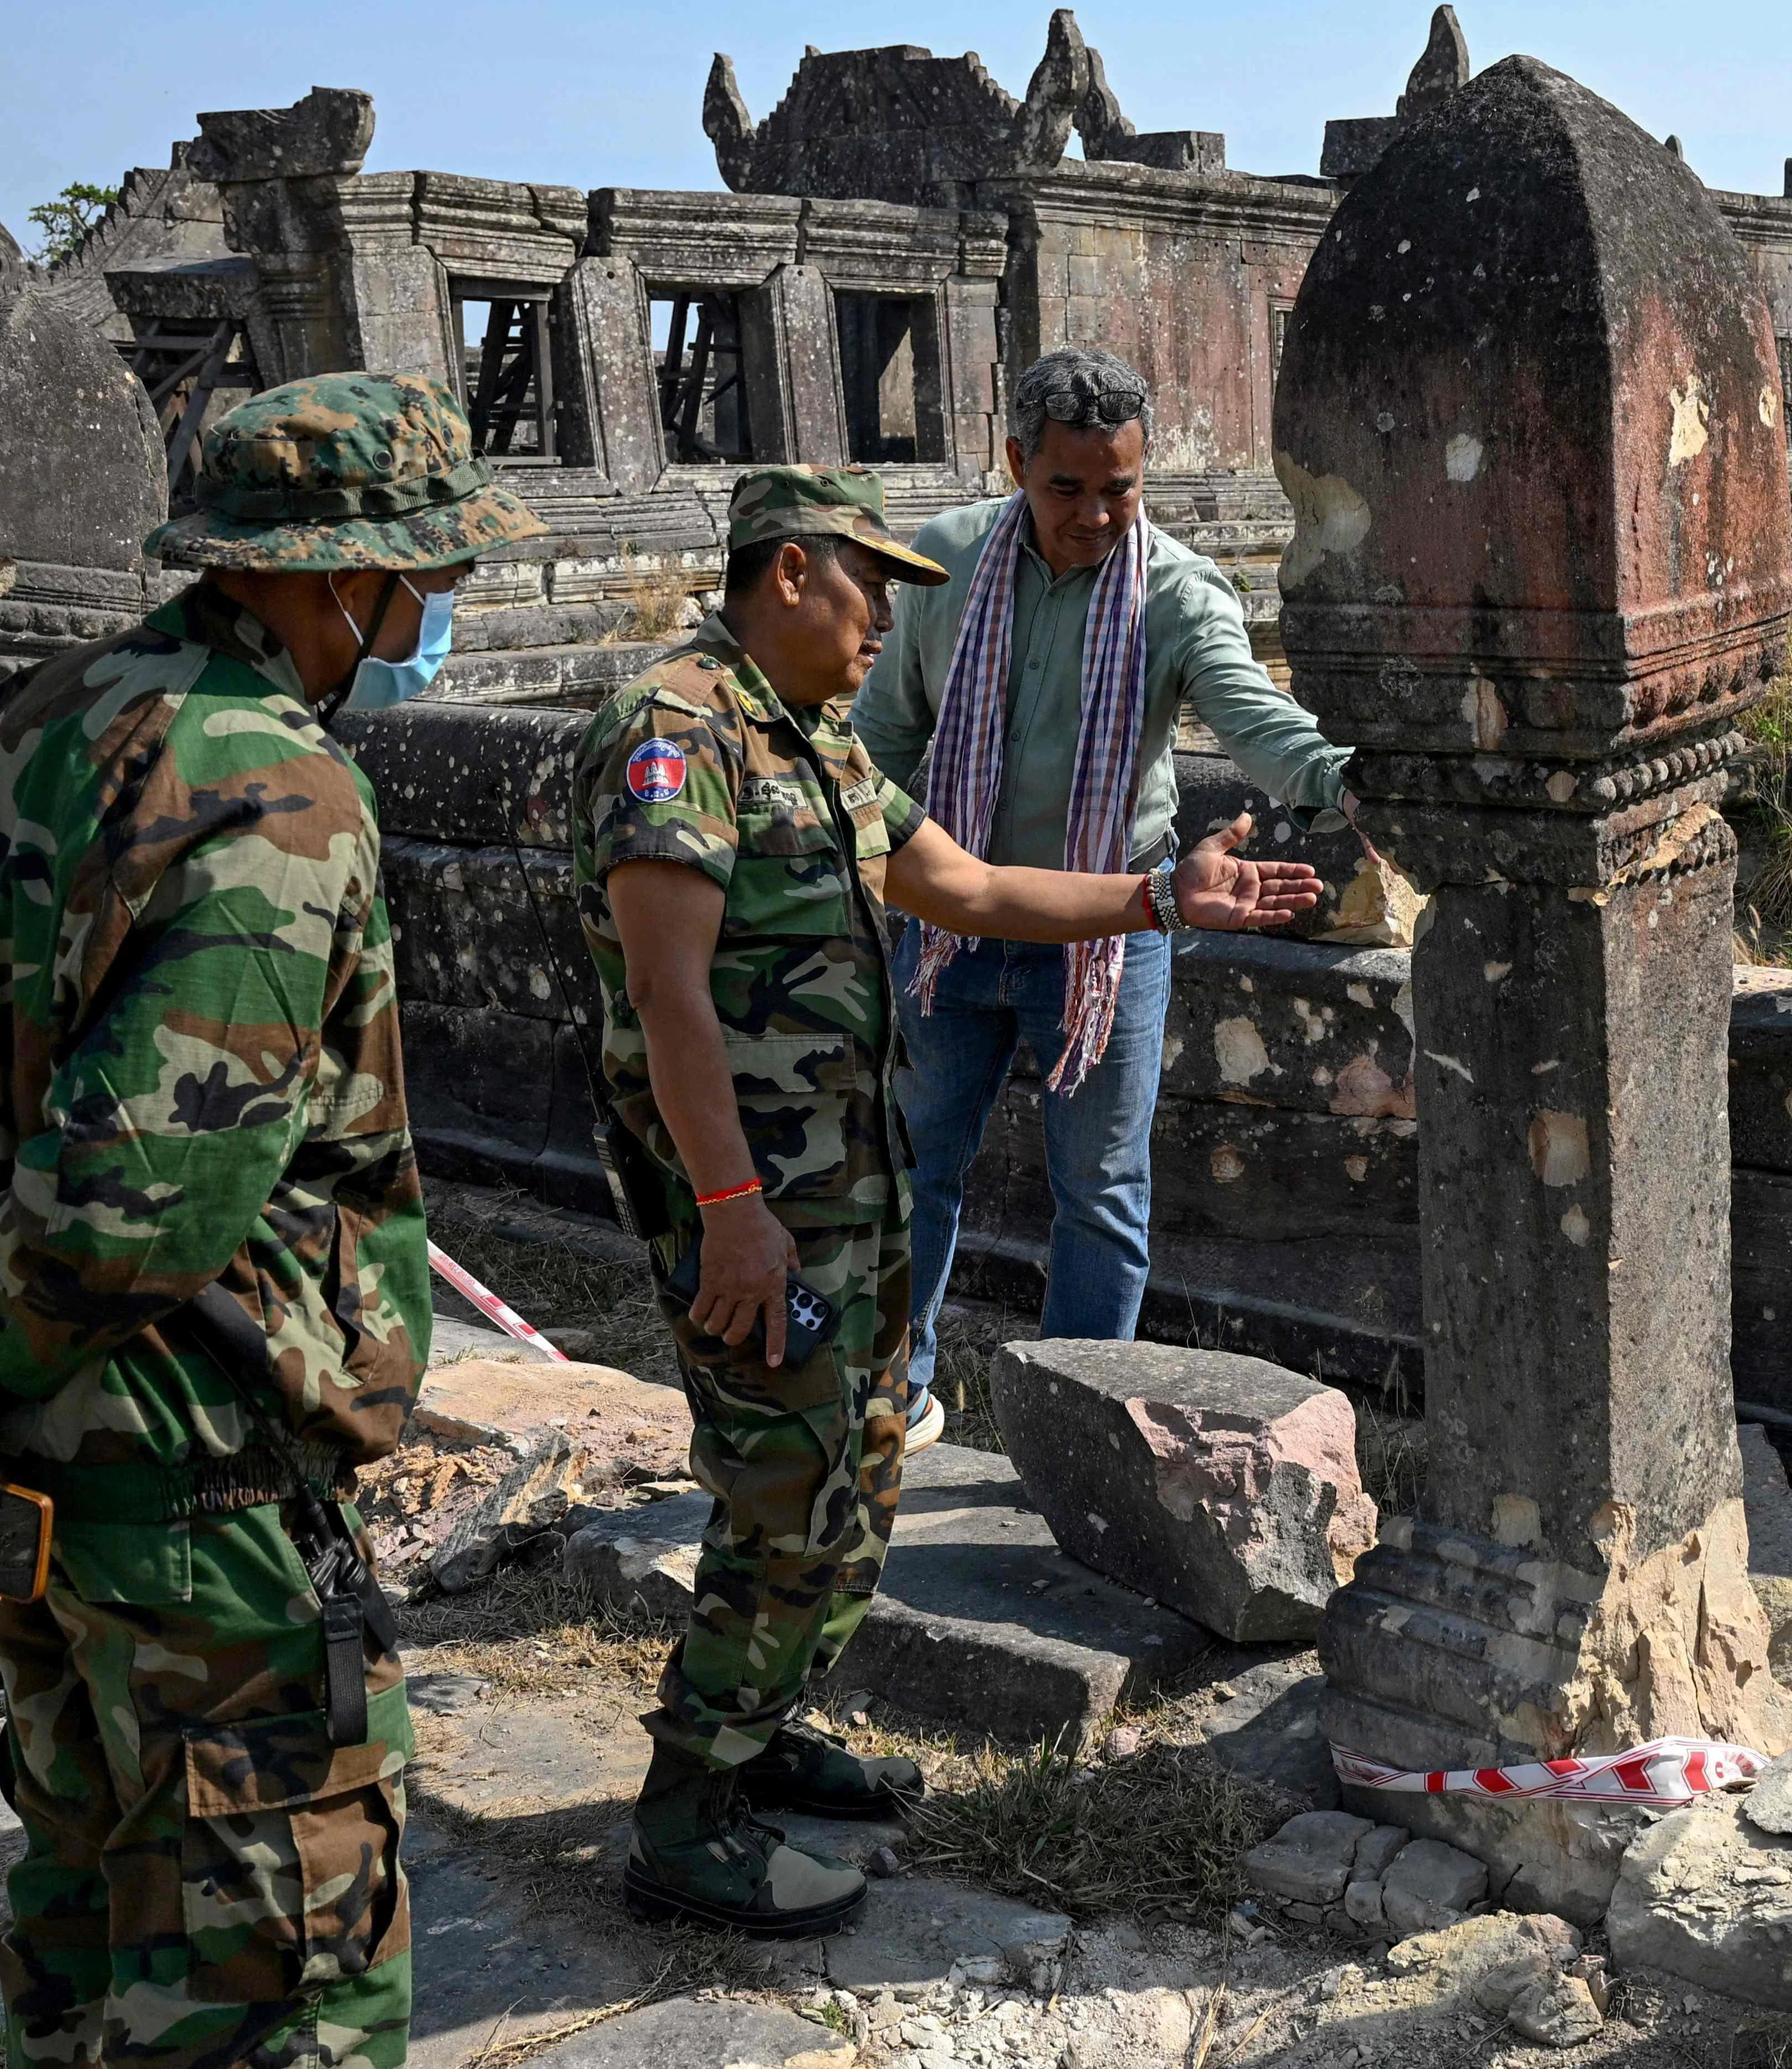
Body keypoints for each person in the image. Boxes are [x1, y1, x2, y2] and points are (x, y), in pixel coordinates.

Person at [0, 372, 540, 2068]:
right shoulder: (275, 796)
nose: (435, 617)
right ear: (343, 580)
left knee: (92, 1897)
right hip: (196, 1474)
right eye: (429, 579)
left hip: (35, 1467)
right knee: (281, 1974)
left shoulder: (21, 725)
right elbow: (139, 1201)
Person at [575, 464, 1318, 1938]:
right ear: (792, 571)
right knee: (783, 1492)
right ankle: (687, 1819)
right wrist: (731, 1208)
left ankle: (762, 1730)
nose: (887, 626)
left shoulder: (814, 740)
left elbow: (966, 889)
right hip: (753, 1209)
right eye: (872, 592)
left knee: (856, 1477)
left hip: (845, 1191)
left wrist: (1160, 901)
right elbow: (667, 995)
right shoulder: (676, 734)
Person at [851, 347, 1356, 1445]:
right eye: (1065, 489)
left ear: (1145, 472)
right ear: (1015, 464)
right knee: (913, 1164)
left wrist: (1343, 779)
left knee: (1103, 1191)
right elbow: (883, 734)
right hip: (951, 919)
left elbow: (1247, 712)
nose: (1093, 516)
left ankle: (1073, 1430)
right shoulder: (945, 563)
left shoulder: (1176, 588)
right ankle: (890, 1390)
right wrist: (834, 846)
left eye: (1118, 489)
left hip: (1112, 929)